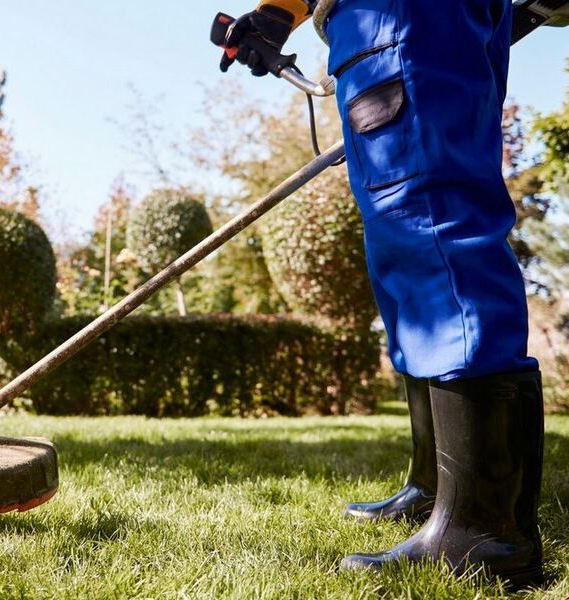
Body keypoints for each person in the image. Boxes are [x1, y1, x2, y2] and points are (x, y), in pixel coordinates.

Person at [217, 0, 544, 588]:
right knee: (405, 243)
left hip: (399, 16)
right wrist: (278, 12)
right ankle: (438, 487)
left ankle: (482, 528)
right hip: (397, 22)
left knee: (429, 223)